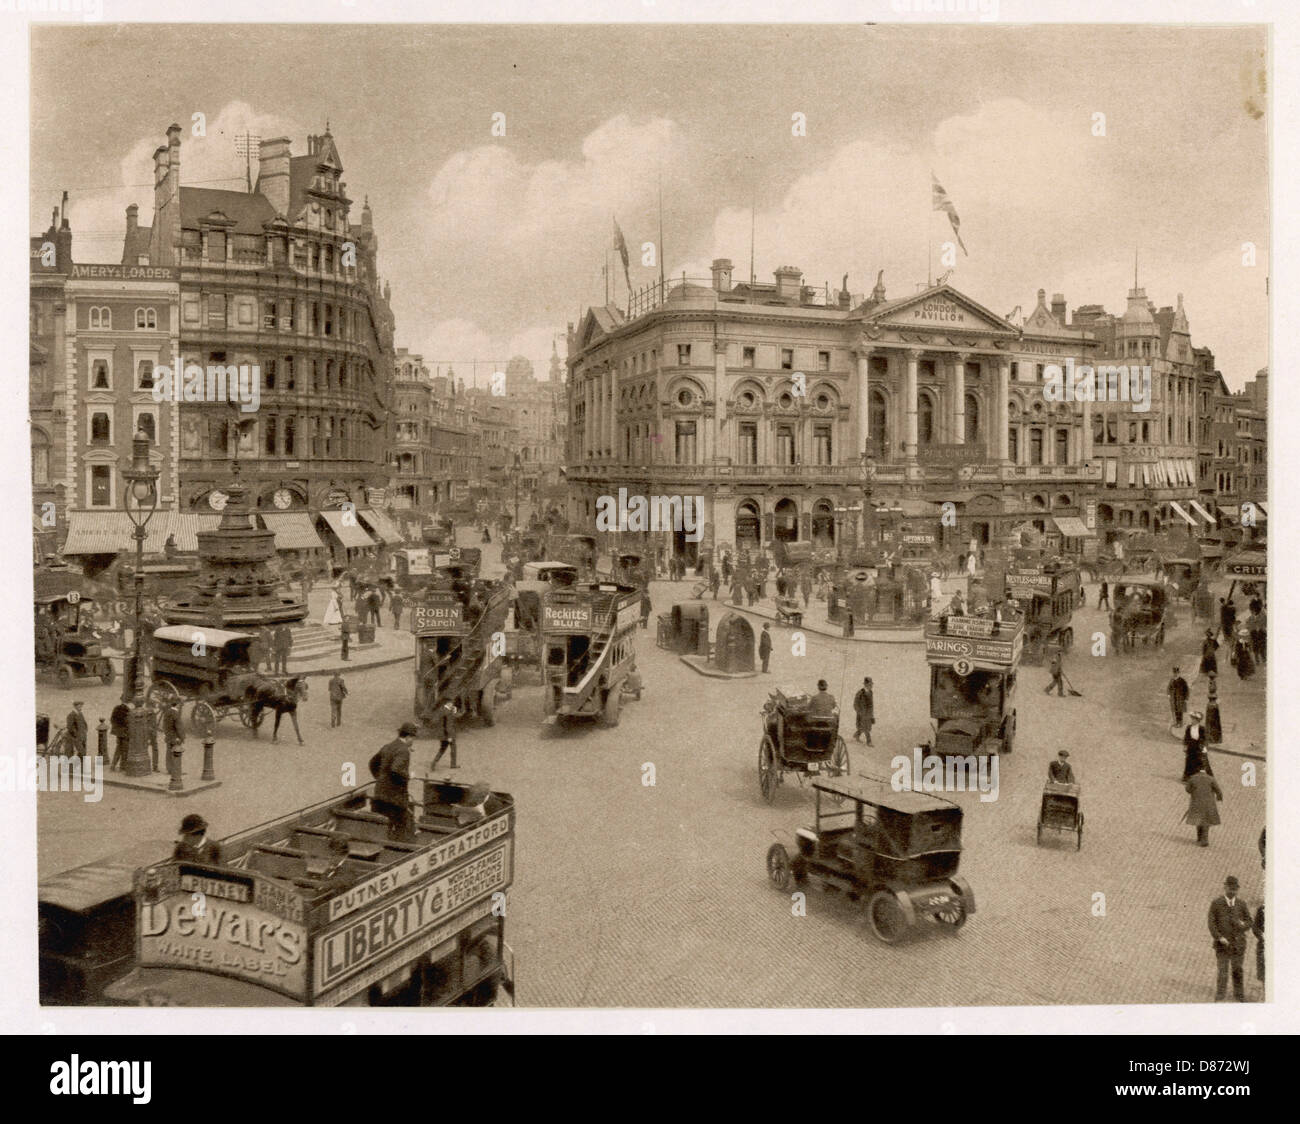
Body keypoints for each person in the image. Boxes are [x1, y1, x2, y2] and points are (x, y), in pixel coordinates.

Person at [1207, 876, 1252, 1000]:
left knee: (1237, 970)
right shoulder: (1216, 904)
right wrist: (1219, 937)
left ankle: (1239, 995)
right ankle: (1220, 995)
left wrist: (1244, 925)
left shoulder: (1241, 904)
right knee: (1223, 971)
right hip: (1222, 945)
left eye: (1235, 890)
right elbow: (1211, 923)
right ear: (1225, 887)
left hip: (1238, 945)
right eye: (1230, 889)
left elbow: (1249, 921)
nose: (1232, 892)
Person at [371, 722, 417, 840]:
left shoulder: (387, 746)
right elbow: (396, 769)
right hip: (395, 799)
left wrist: (380, 779)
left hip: (379, 795)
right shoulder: (403, 750)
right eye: (413, 738)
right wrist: (408, 776)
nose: (412, 741)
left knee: (379, 827)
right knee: (401, 827)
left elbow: (372, 763)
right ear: (408, 737)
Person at [1183, 765, 1223, 848]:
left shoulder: (1193, 778)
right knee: (1206, 821)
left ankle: (1199, 837)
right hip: (1209, 803)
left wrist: (1194, 792)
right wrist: (1219, 798)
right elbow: (1218, 791)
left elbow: (1187, 789)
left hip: (1196, 802)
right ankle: (1204, 840)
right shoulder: (1211, 779)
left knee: (1198, 819)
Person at [1182, 711, 1212, 781]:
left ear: (1198, 721)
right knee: (1189, 761)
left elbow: (1205, 739)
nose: (1192, 721)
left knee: (1201, 762)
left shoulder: (1202, 728)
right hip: (1191, 746)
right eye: (1192, 719)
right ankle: (1188, 776)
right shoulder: (1189, 727)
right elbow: (1186, 737)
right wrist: (1185, 746)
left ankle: (1206, 778)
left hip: (1198, 747)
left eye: (1194, 719)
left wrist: (1204, 747)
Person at [431, 700, 459, 770]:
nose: (452, 706)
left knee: (442, 749)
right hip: (448, 734)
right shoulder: (448, 712)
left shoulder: (441, 710)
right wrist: (449, 736)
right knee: (453, 749)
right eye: (452, 704)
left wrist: (454, 712)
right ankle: (453, 764)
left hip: (442, 734)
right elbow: (448, 725)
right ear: (449, 704)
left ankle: (434, 762)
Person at [109, 699, 131, 770]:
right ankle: (123, 766)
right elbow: (128, 722)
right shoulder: (127, 710)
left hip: (118, 734)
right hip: (125, 733)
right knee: (125, 750)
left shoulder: (116, 708)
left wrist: (116, 731)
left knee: (118, 749)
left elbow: (112, 720)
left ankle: (113, 765)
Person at [853, 677, 874, 745]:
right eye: (870, 684)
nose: (871, 686)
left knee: (865, 727)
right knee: (865, 728)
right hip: (861, 714)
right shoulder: (860, 693)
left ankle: (857, 735)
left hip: (868, 714)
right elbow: (855, 704)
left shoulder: (870, 692)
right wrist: (859, 712)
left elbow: (871, 705)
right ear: (866, 684)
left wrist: (872, 715)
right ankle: (869, 741)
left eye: (871, 684)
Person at [1205, 672, 1223, 745]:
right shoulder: (1213, 683)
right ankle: (1215, 738)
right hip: (1214, 704)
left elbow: (1212, 690)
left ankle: (1212, 738)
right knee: (1215, 722)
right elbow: (1212, 691)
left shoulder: (1212, 684)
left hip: (1212, 705)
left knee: (1212, 722)